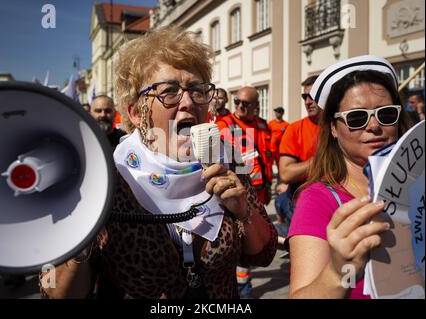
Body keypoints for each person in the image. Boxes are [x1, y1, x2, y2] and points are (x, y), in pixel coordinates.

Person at [39, 27, 277, 299]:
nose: (188, 102)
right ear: (136, 112)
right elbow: (56, 295)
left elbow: (263, 255)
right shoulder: (106, 178)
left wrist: (244, 211)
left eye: (197, 90)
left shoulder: (228, 162)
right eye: (169, 91)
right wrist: (80, 239)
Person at [287, 55, 411, 299]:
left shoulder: (418, 182)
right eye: (356, 117)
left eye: (386, 114)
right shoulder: (318, 200)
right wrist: (338, 272)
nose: (374, 126)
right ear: (333, 128)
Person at [216, 86, 274, 299]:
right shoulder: (224, 126)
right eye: (237, 102)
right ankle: (243, 291)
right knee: (240, 245)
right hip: (234, 198)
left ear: (256, 107)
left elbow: (266, 157)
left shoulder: (262, 126)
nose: (240, 106)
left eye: (245, 104)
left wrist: (267, 186)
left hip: (259, 194)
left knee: (257, 244)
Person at [275, 76, 320, 242]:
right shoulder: (294, 129)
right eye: (304, 97)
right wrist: (320, 161)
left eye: (313, 96)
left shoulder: (341, 126)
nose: (308, 102)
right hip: (302, 199)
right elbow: (286, 173)